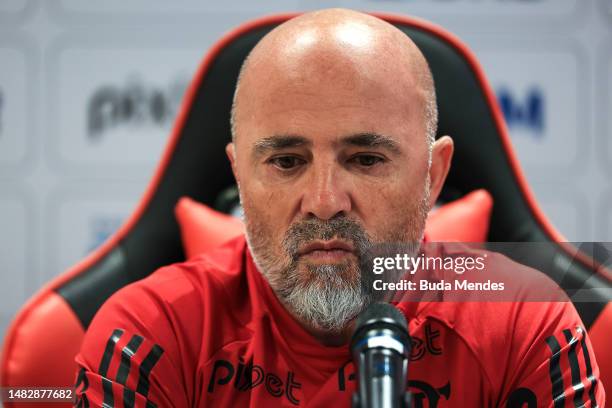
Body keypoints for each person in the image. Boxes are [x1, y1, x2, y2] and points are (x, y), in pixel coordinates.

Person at [74, 9, 605, 407]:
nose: (325, 202)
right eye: (286, 161)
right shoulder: (147, 333)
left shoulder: (524, 322)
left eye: (367, 158)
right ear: (239, 174)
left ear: (434, 175)